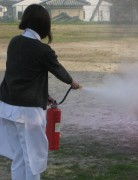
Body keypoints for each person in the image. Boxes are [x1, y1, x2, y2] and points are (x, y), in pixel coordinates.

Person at [0, 4, 80, 180]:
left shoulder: (14, 42)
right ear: (45, 25)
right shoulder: (43, 50)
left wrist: (46, 95)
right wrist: (72, 82)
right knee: (33, 159)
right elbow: (59, 70)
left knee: (19, 157)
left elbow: (21, 74)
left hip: (6, 108)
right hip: (27, 113)